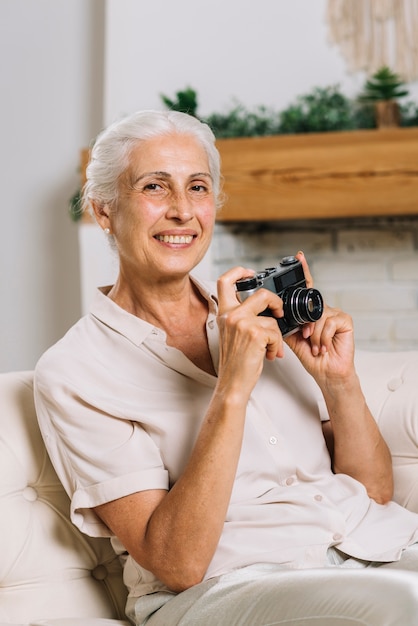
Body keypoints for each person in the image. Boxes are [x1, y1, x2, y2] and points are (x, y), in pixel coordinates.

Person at [34, 110, 418, 626]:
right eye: (154, 186)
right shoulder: (75, 372)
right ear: (104, 211)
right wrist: (232, 388)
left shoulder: (257, 313)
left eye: (197, 187)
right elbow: (178, 563)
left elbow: (374, 493)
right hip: (228, 588)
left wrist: (337, 380)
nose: (181, 211)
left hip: (370, 548)